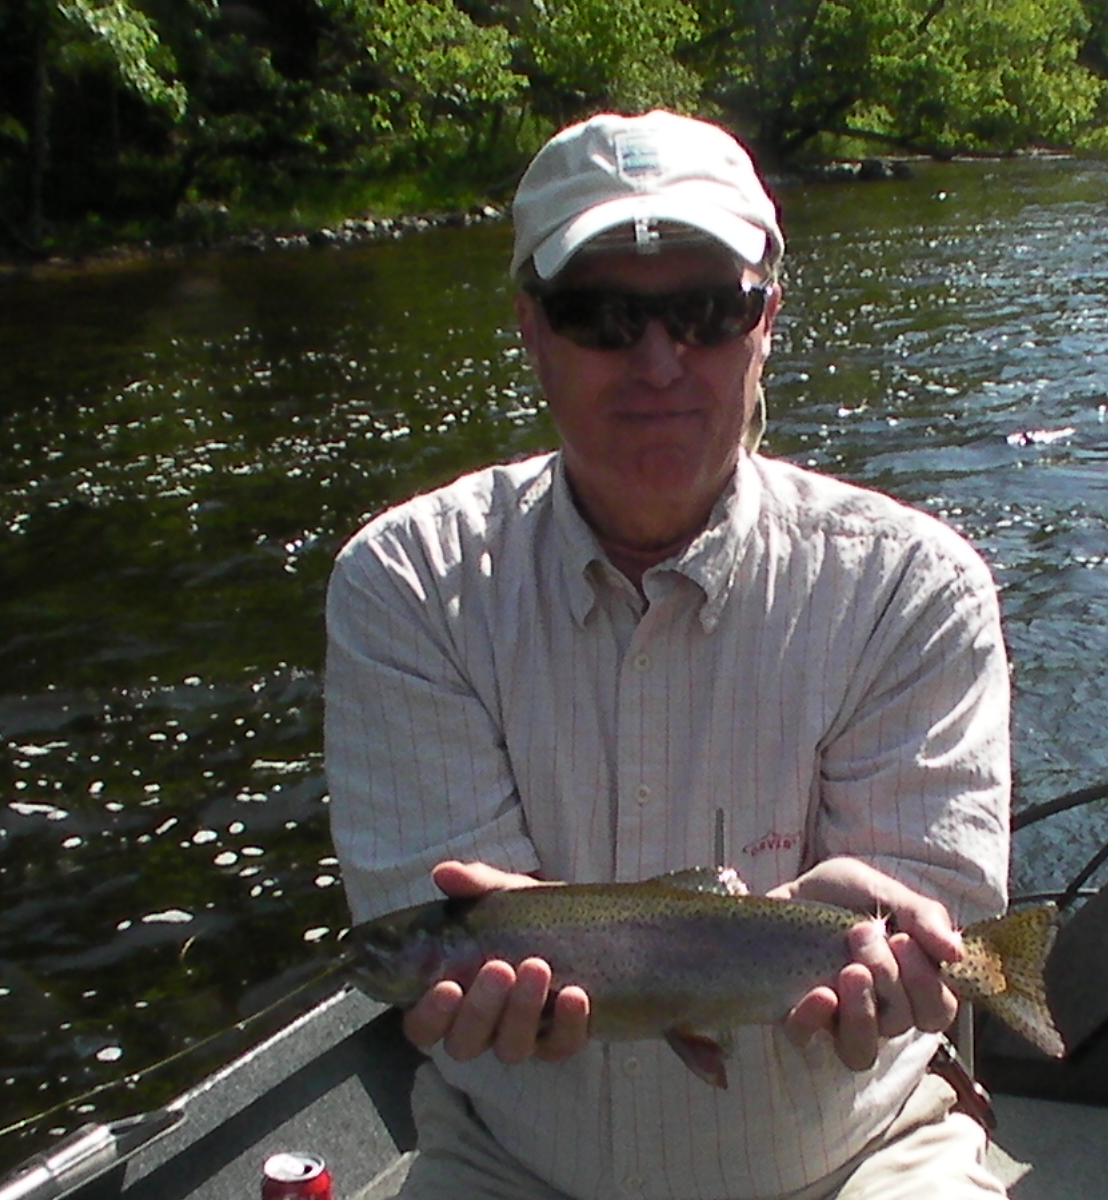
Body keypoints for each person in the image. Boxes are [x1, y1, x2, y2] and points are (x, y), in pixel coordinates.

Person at [324, 109, 1013, 1200]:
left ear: (766, 322)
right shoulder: (408, 582)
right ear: (530, 329)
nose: (658, 361)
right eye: (600, 314)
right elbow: (438, 917)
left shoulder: (908, 583)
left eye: (706, 311)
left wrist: (897, 940)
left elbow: (937, 909)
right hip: (510, 1165)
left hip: (860, 1157)